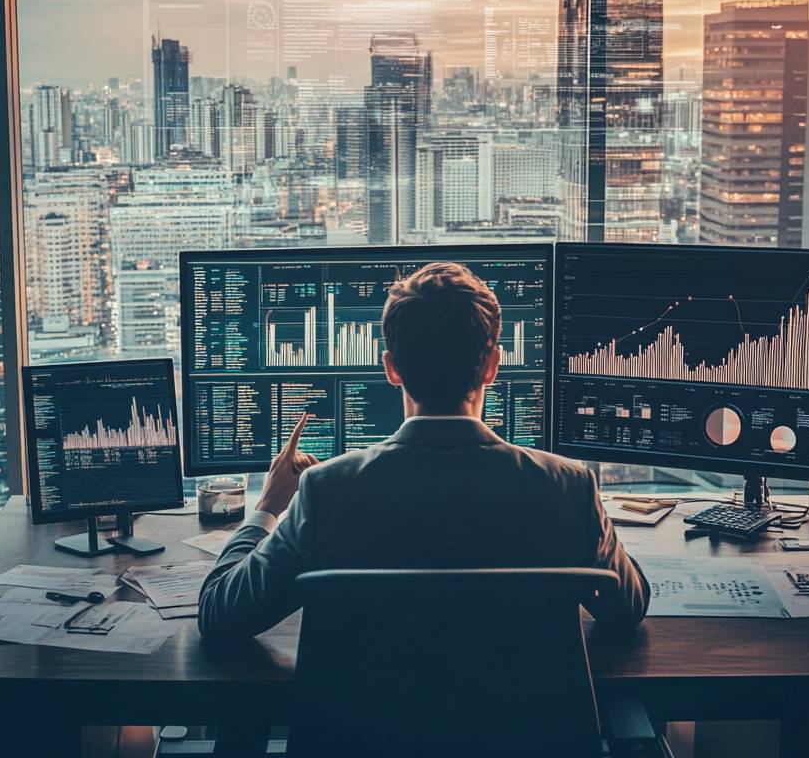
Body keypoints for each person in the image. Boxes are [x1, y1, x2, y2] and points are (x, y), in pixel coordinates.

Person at [198, 261, 649, 643]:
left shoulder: (325, 491)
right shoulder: (567, 487)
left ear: (391, 368)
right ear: (493, 366)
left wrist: (267, 508)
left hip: (369, 725)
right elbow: (628, 607)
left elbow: (220, 616)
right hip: (526, 725)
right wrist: (592, 528)